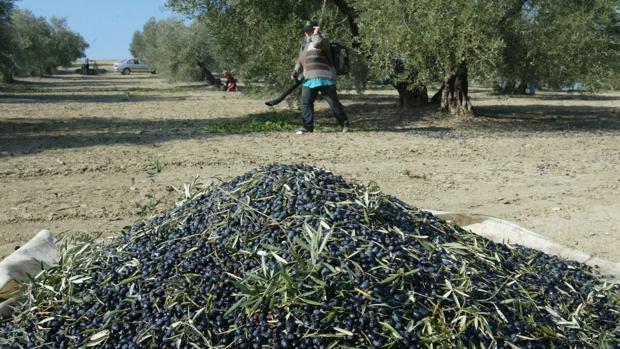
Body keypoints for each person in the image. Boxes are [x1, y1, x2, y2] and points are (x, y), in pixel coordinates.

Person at [291, 21, 349, 134]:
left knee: (333, 103)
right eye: (306, 31)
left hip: (325, 78)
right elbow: (300, 61)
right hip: (309, 79)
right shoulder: (304, 45)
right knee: (305, 102)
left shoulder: (323, 41)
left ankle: (344, 124)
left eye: (310, 30)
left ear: (316, 30)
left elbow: (317, 43)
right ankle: (308, 127)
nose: (308, 33)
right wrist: (295, 72)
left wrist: (316, 34)